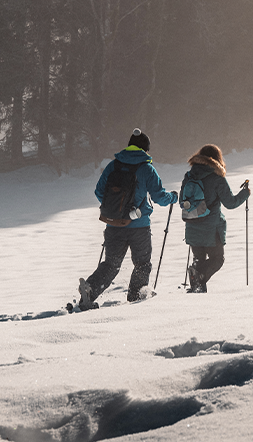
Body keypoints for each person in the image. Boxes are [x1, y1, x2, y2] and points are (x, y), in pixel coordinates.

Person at [75, 129, 178, 310]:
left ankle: (90, 290)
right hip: (139, 226)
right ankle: (136, 297)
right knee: (142, 264)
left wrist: (116, 210)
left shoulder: (113, 165)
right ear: (145, 149)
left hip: (114, 225)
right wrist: (174, 197)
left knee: (111, 264)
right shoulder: (147, 169)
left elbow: (99, 192)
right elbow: (160, 197)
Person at [181, 144, 250, 293]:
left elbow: (183, 201)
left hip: (192, 227)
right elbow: (230, 203)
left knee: (198, 261)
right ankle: (198, 278)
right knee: (217, 259)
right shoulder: (216, 178)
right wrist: (245, 194)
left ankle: (196, 294)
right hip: (212, 229)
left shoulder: (189, 176)